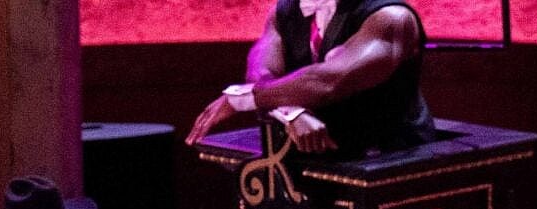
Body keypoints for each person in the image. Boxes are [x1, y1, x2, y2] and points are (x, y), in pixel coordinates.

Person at [187, 0, 440, 159]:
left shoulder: (391, 17)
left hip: (391, 153)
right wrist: (290, 113)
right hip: (323, 143)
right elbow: (261, 75)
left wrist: (241, 99)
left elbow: (327, 82)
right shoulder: (284, 11)